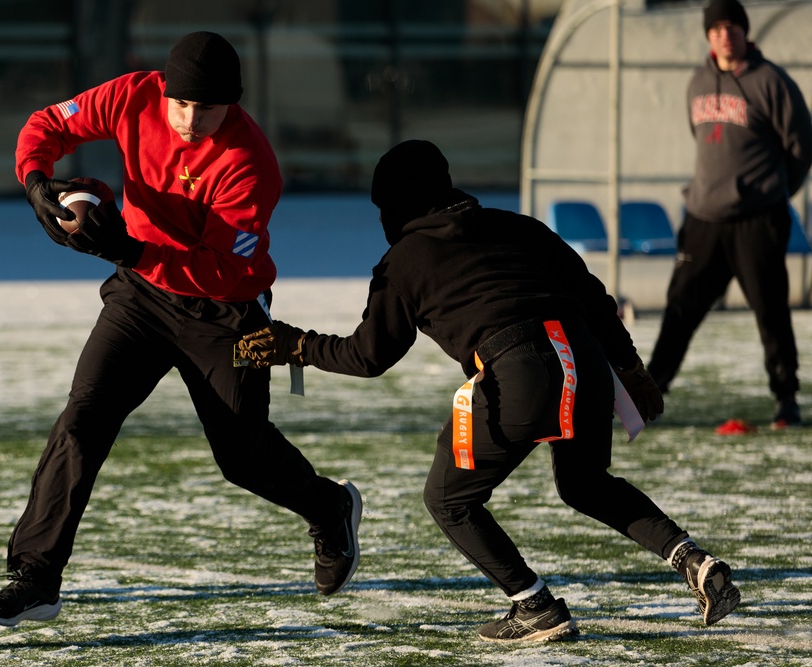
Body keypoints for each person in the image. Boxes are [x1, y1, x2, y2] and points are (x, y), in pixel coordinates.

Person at [236, 140, 741, 641]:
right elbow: (594, 299)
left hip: (516, 370)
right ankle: (693, 561)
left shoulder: (404, 260)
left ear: (395, 205)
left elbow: (368, 357)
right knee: (585, 482)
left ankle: (534, 605)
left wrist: (296, 345)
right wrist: (630, 367)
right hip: (585, 360)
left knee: (448, 498)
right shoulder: (520, 226)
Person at [0, 31, 362, 627]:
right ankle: (35, 578)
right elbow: (47, 123)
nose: (189, 119)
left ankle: (330, 508)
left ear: (232, 102)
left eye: (206, 107)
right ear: (163, 91)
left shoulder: (249, 163)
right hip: (141, 296)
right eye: (181, 104)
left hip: (225, 310)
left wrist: (129, 246)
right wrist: (36, 184)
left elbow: (224, 270)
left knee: (243, 458)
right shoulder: (133, 96)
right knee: (83, 420)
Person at [647, 0, 812, 429]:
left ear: (745, 31)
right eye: (716, 28)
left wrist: (772, 192)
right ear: (708, 35)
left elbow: (801, 148)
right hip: (703, 218)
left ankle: (786, 399)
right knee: (680, 308)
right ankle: (648, 394)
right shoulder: (697, 82)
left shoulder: (771, 81)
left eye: (732, 26)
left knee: (770, 310)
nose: (724, 34)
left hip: (757, 220)